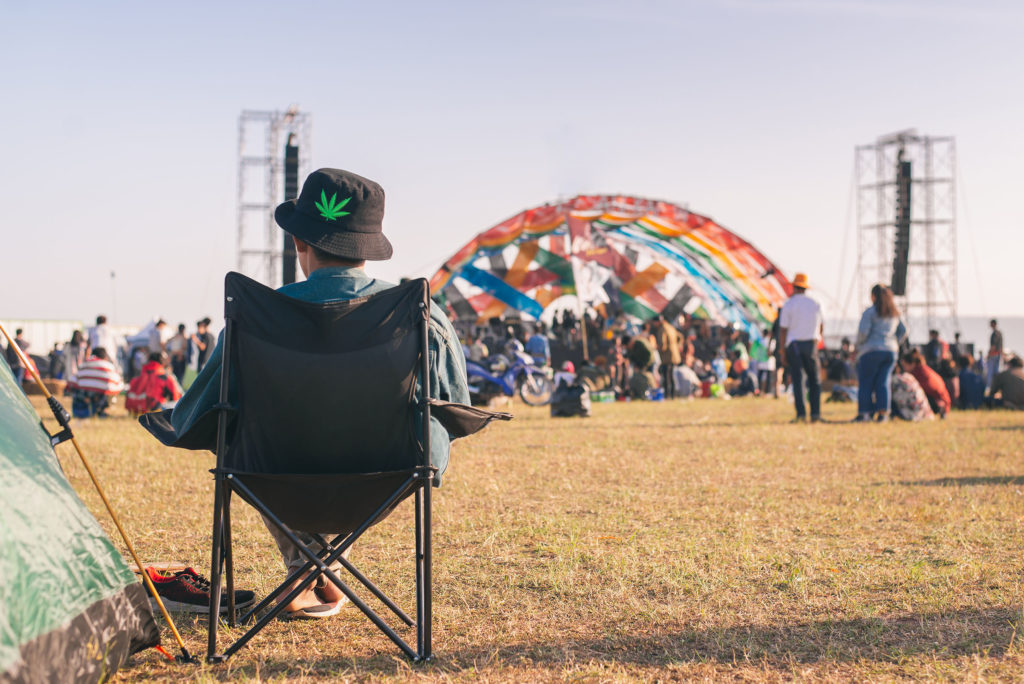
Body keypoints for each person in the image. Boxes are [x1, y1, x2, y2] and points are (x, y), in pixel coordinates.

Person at [169, 168, 470, 619]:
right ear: (370, 249)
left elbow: (196, 415)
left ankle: (306, 566)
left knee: (242, 436)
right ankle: (313, 570)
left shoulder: (258, 317)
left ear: (299, 243)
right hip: (390, 476)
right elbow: (454, 404)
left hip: (279, 477)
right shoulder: (421, 314)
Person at [852, 284, 907, 422]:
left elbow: (863, 333)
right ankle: (883, 414)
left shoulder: (870, 312)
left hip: (871, 351)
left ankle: (865, 413)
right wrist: (895, 342)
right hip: (890, 351)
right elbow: (904, 331)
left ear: (873, 296)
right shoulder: (894, 313)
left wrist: (857, 346)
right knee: (883, 382)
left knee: (866, 383)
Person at [777, 272, 824, 423]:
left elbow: (783, 329)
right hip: (811, 344)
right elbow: (821, 325)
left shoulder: (789, 304)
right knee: (814, 380)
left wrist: (782, 350)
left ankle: (801, 415)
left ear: (794, 287)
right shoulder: (815, 303)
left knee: (798, 380)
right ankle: (816, 414)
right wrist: (817, 340)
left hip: (794, 345)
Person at [68, 347, 124, 418]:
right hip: (99, 398)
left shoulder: (84, 365)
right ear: (105, 356)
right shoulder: (108, 366)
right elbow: (119, 385)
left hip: (81, 402)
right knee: (108, 392)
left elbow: (72, 382)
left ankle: (88, 410)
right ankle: (100, 411)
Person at [900, 349, 951, 418]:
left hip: (938, 402)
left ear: (912, 364)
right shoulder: (922, 369)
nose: (904, 369)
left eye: (904, 366)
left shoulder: (918, 373)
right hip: (943, 400)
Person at [653, 314, 682, 399]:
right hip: (675, 354)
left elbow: (663, 345)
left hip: (667, 356)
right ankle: (673, 395)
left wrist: (656, 347)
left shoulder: (662, 329)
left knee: (666, 376)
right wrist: (676, 346)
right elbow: (680, 337)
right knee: (672, 376)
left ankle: (667, 395)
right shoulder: (670, 327)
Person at [986, 319, 1003, 389]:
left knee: (991, 372)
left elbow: (993, 346)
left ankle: (990, 387)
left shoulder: (994, 334)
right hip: (998, 354)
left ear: (993, 324)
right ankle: (996, 386)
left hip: (994, 355)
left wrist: (989, 354)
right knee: (996, 371)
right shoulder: (999, 333)